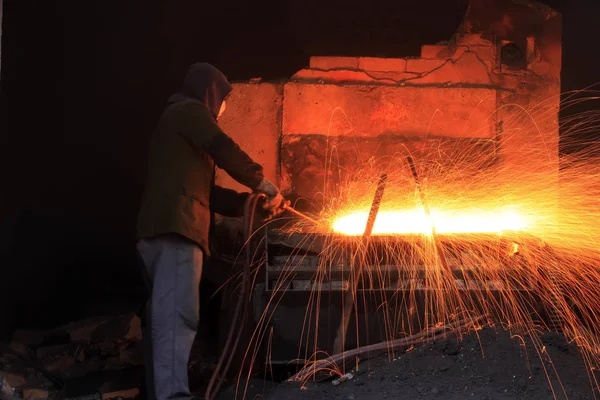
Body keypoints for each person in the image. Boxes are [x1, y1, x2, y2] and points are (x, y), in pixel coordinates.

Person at [136, 62, 283, 400]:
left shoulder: (176, 129)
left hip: (162, 231)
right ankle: (174, 396)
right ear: (210, 93)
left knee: (164, 319)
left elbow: (209, 193)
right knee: (176, 319)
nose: (223, 109)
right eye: (223, 99)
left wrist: (253, 202)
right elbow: (224, 148)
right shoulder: (187, 111)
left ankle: (159, 392)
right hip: (176, 232)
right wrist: (263, 182)